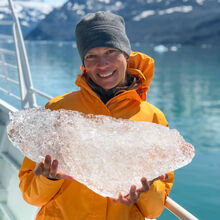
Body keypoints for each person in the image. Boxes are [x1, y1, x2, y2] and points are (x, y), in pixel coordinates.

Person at [19, 11, 174, 220]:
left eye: (111, 51)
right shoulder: (58, 110)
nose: (102, 64)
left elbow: (153, 211)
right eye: (91, 55)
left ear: (126, 55)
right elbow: (30, 195)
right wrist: (48, 178)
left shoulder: (153, 119)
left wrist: (147, 190)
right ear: (84, 62)